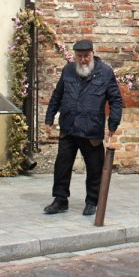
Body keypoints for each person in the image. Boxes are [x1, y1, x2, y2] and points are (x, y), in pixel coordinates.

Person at [44, 39, 122, 216]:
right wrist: (49, 117)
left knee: (95, 167)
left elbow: (116, 100)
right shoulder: (68, 70)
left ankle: (92, 201)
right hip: (69, 127)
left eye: (86, 56)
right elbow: (57, 95)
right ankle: (60, 199)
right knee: (62, 166)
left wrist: (113, 123)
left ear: (92, 53)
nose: (83, 60)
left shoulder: (105, 72)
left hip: (91, 128)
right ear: (75, 56)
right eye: (79, 56)